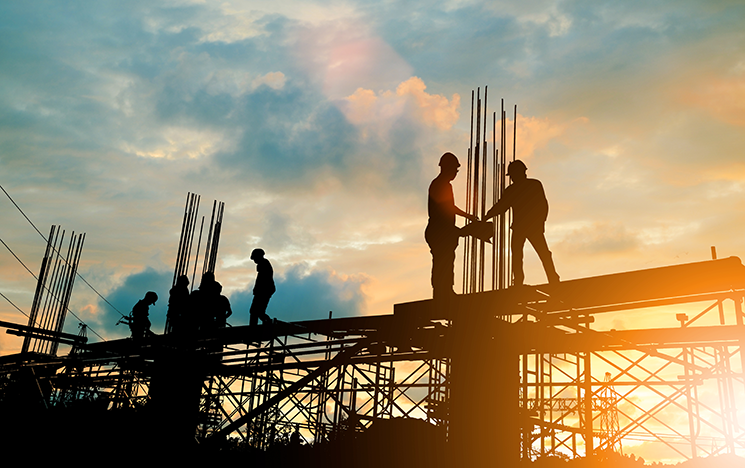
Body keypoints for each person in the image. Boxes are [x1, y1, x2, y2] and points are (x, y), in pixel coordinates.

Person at [484, 159, 559, 286]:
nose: (512, 178)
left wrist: (541, 223)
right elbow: (502, 206)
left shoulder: (529, 186)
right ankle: (547, 279)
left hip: (528, 226)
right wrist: (488, 215)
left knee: (533, 254)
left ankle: (550, 278)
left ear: (520, 173)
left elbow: (542, 205)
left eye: (512, 175)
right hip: (525, 226)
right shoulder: (524, 187)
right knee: (523, 254)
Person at [425, 152, 478, 299]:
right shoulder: (441, 185)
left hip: (442, 230)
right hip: (439, 231)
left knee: (446, 261)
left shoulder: (442, 184)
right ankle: (442, 293)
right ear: (447, 168)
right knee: (443, 261)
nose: (455, 173)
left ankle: (445, 291)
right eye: (455, 169)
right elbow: (448, 208)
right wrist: (469, 217)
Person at [249, 248, 275, 326]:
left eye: (255, 258)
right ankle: (266, 323)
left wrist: (257, 289)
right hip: (264, 290)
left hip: (264, 291)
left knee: (255, 311)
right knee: (257, 312)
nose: (254, 261)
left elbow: (262, 280)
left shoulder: (264, 264)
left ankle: (255, 328)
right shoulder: (263, 264)